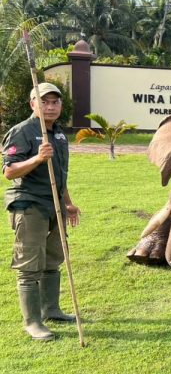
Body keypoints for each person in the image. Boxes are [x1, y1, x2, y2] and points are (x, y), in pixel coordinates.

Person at [2, 83, 81, 341]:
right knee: (29, 265)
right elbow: (9, 171)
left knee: (53, 258)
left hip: (54, 204)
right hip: (30, 204)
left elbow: (60, 175)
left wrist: (68, 203)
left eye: (54, 102)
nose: (50, 107)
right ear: (32, 104)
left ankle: (51, 310)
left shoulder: (58, 134)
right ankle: (33, 322)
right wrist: (36, 158)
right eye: (44, 101)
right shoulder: (22, 131)